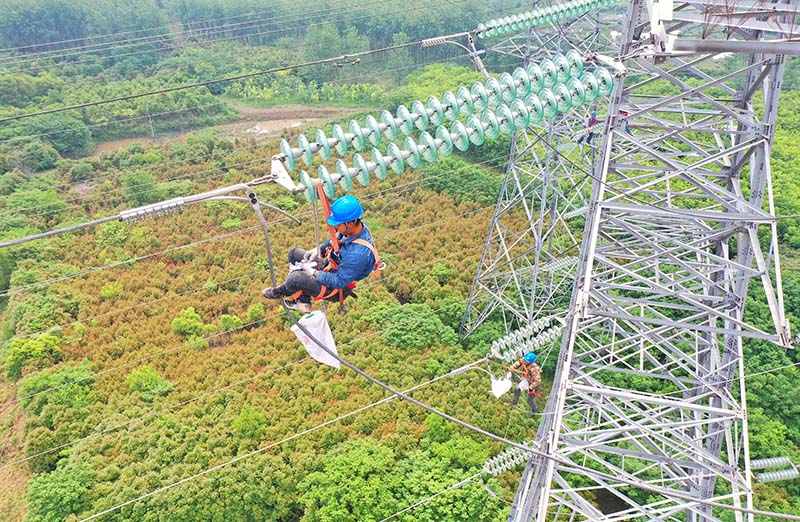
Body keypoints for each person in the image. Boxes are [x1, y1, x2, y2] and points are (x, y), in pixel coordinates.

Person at [262, 195, 380, 313]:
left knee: (296, 278)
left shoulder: (357, 255)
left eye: (338, 224)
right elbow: (336, 239)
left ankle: (280, 291)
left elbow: (339, 281)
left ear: (350, 223)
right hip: (331, 266)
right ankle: (303, 301)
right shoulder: (354, 228)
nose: (335, 227)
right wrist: (319, 249)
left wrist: (313, 272)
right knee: (294, 254)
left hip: (335, 287)